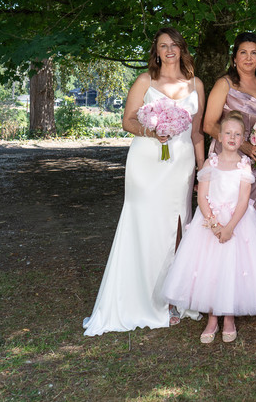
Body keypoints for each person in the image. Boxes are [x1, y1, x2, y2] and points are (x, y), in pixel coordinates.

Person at [83, 27, 205, 335]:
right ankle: (142, 299)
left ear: (182, 48)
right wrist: (151, 131)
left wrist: (203, 170)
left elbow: (197, 133)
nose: (169, 50)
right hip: (146, 162)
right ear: (156, 51)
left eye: (174, 44)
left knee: (178, 224)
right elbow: (127, 121)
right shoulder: (145, 81)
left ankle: (173, 297)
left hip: (181, 163)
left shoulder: (196, 85)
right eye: (163, 46)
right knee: (144, 225)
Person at [162, 111, 256, 343]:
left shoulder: (245, 165)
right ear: (220, 136)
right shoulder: (210, 163)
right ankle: (212, 317)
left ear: (243, 138)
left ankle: (229, 317)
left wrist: (229, 227)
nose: (232, 138)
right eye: (228, 133)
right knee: (211, 270)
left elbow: (244, 200)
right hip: (210, 222)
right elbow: (202, 197)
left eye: (237, 134)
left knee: (233, 269)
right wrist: (215, 225)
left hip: (237, 223)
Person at [202, 32, 256, 223]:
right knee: (225, 213)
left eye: (254, 53)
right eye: (243, 52)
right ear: (234, 58)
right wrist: (243, 145)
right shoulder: (224, 84)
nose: (248, 58)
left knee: (252, 219)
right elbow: (209, 125)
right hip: (227, 160)